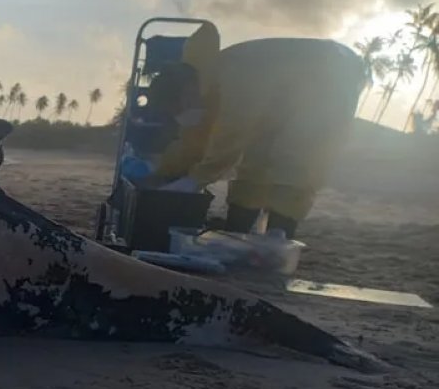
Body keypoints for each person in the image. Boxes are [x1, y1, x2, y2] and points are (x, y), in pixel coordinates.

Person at [151, 32, 366, 239]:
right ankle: (236, 232)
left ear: (186, 90)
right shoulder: (209, 87)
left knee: (297, 163)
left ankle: (278, 239)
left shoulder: (233, 76)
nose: (179, 113)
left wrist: (195, 180)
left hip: (333, 76)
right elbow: (195, 140)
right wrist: (164, 171)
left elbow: (232, 136)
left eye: (177, 107)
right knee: (255, 163)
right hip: (284, 98)